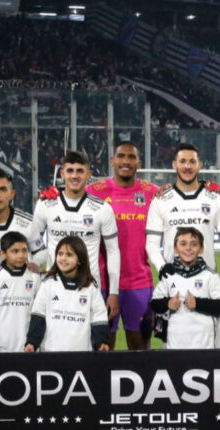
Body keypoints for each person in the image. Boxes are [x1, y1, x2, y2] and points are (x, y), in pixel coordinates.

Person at [27, 151, 121, 325]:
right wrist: (36, 265)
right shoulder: (46, 204)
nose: (75, 176)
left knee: (88, 344)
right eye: (70, 171)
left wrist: (114, 292)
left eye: (80, 171)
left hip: (89, 289)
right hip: (53, 287)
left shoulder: (102, 209)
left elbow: (113, 250)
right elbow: (32, 240)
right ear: (62, 174)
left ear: (88, 174)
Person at [86, 141, 159, 350]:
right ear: (112, 160)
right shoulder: (94, 191)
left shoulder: (153, 193)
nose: (126, 161)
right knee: (102, 345)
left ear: (139, 162)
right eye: (121, 156)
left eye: (131, 157)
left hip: (139, 282)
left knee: (140, 348)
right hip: (102, 282)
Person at [146, 143, 220, 273]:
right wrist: (162, 267)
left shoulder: (215, 199)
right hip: (173, 282)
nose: (187, 166)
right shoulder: (160, 201)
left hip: (207, 283)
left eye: (192, 162)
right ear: (174, 165)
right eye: (182, 161)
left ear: (199, 165)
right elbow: (152, 244)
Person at [25, 236, 110, 353]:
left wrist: (101, 342)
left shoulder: (90, 287)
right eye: (60, 254)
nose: (63, 258)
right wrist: (32, 342)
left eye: (69, 255)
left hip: (82, 354)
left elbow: (98, 317)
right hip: (50, 353)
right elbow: (38, 316)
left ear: (80, 259)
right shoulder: (48, 284)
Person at [149, 227, 220, 349]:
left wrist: (197, 303)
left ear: (201, 249)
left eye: (194, 244)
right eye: (183, 244)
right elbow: (154, 303)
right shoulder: (169, 275)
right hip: (173, 345)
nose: (188, 248)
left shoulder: (210, 276)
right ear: (176, 248)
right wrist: (167, 303)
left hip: (204, 345)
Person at [0, 231, 41, 356]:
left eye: (24, 250)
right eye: (15, 251)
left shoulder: (35, 278)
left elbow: (39, 315)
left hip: (28, 349)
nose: (21, 255)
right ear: (3, 254)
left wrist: (33, 342)